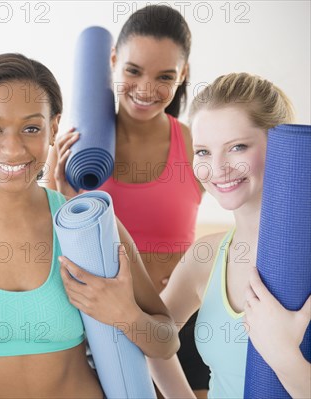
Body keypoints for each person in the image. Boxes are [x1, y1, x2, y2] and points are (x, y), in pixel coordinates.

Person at [0, 53, 179, 398]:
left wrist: (125, 314)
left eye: (31, 128)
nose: (13, 148)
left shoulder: (87, 228)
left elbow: (167, 340)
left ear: (53, 129)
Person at [45, 5, 208, 395]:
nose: (146, 89)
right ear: (113, 61)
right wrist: (57, 197)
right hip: (101, 330)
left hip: (178, 328)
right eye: (133, 71)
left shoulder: (196, 144)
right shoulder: (77, 151)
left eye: (165, 76)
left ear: (182, 75)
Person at [148, 72, 310, 399]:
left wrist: (283, 355)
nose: (217, 168)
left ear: (279, 146)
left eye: (237, 147)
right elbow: (151, 339)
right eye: (204, 151)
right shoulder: (205, 257)